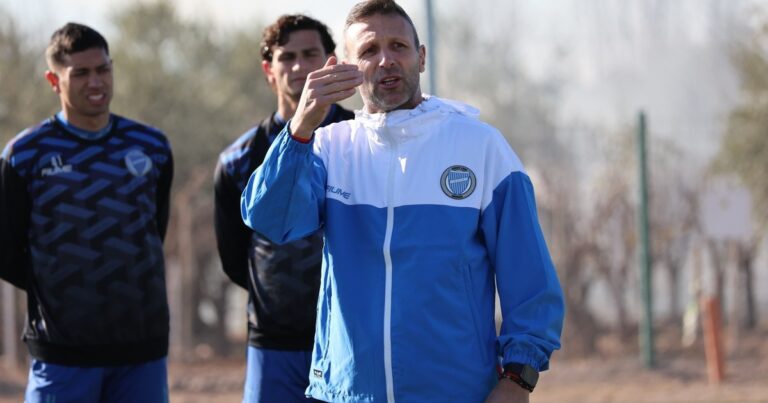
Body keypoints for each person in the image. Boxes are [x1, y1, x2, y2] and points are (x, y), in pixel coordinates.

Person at [241, 0, 565, 402]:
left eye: (398, 46)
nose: (385, 60)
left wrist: (518, 379)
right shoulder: (327, 148)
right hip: (348, 392)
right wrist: (301, 126)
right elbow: (272, 220)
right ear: (345, 66)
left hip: (456, 391)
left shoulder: (482, 147)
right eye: (368, 51)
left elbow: (529, 279)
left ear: (421, 57)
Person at [0, 23, 173, 403]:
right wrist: (61, 287)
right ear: (53, 79)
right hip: (63, 353)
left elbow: (151, 229)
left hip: (142, 350)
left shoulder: (152, 146)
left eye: (103, 69)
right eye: (81, 73)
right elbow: (6, 252)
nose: (96, 81)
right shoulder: (25, 155)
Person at [214, 14, 354, 403]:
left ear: (332, 61)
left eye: (310, 54)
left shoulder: (362, 143)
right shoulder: (238, 160)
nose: (298, 66)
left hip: (351, 341)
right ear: (268, 71)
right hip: (273, 346)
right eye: (286, 57)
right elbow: (233, 258)